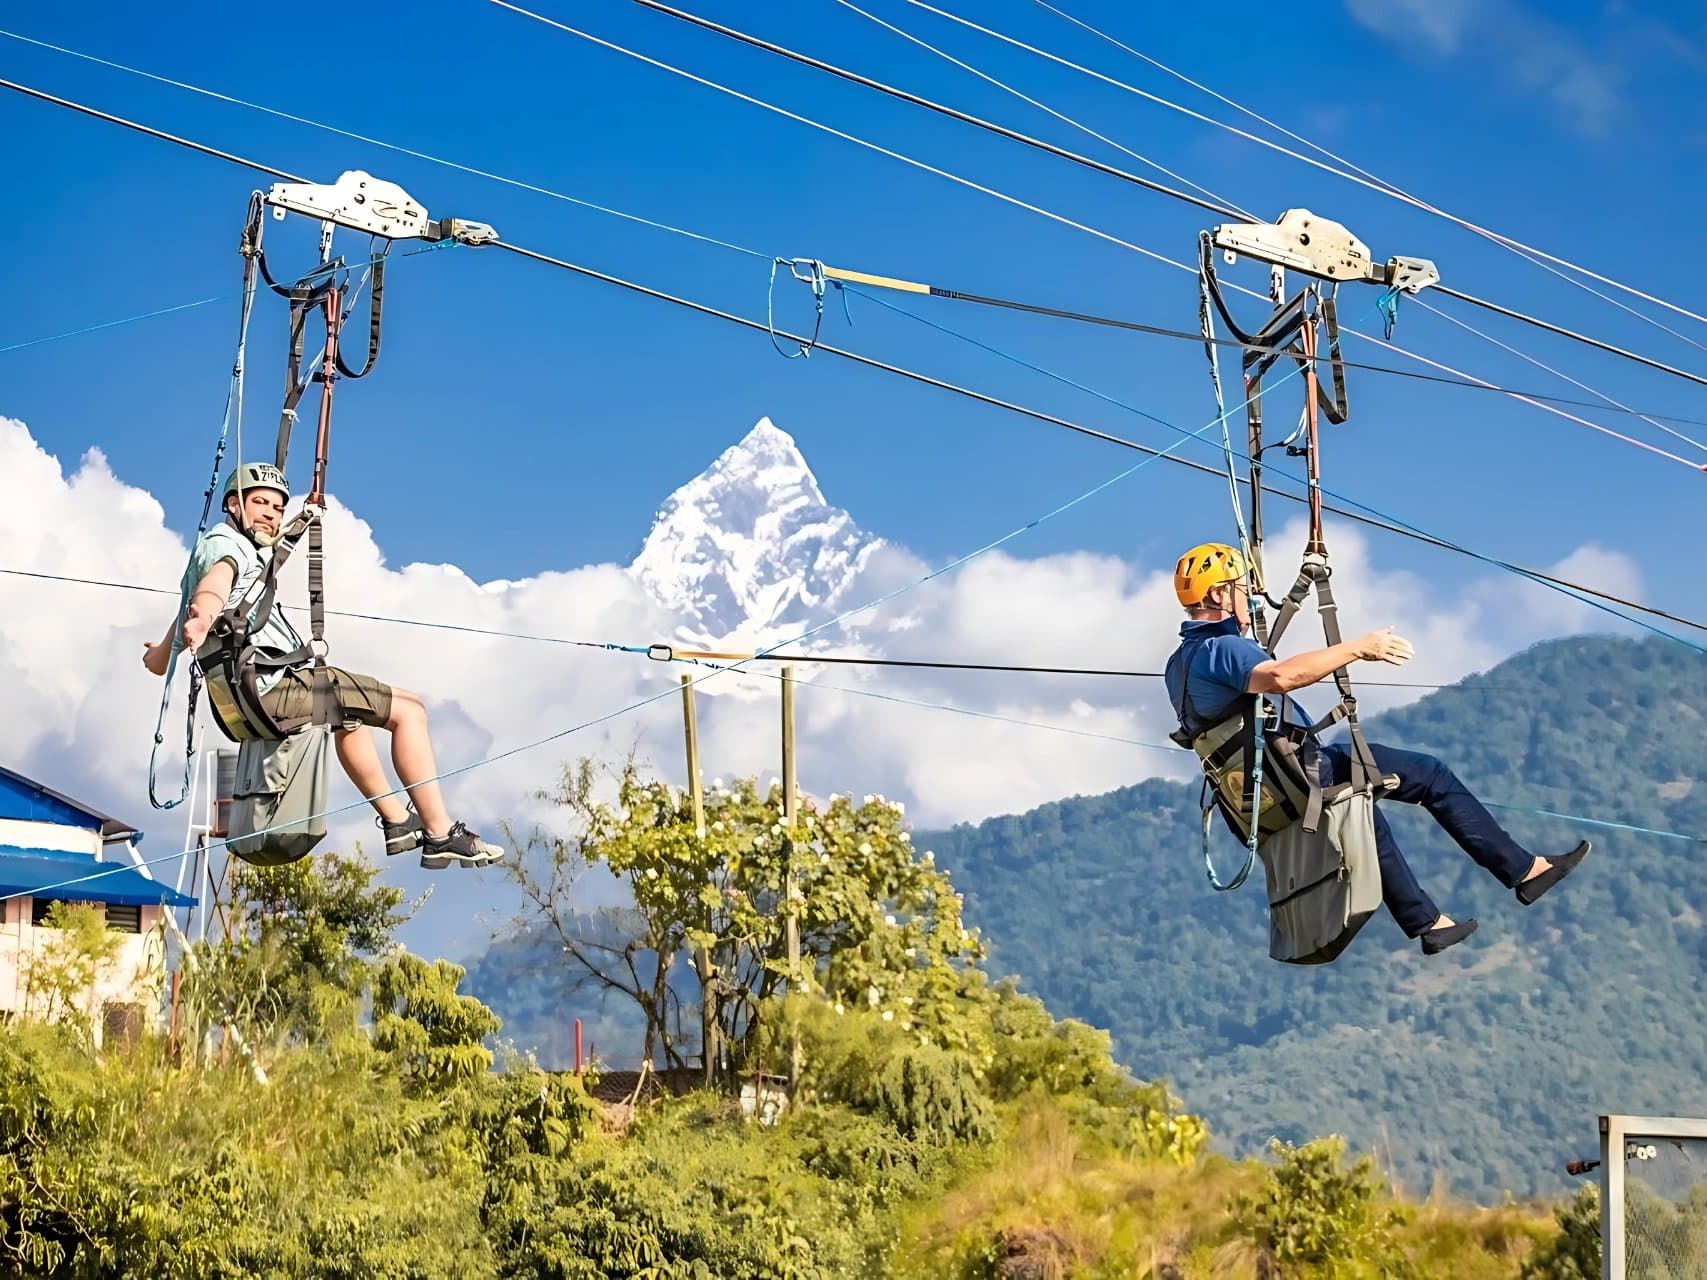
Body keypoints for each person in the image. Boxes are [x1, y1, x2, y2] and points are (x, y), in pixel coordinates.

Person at [1164, 542, 1587, 955]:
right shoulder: (1221, 650)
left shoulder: (1179, 664)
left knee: (1366, 814)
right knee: (1429, 774)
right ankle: (1525, 870)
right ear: (1219, 594)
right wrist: (1358, 648)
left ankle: (1428, 924)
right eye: (1241, 587)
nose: (1251, 596)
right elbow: (1281, 677)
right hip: (1304, 771)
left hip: (1263, 793)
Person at [143, 462, 502, 869]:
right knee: (409, 710)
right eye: (259, 503)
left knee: (347, 719)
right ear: (232, 505)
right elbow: (213, 588)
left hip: (250, 697)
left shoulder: (219, 551)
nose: (270, 514)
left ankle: (397, 821)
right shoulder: (226, 547)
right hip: (274, 687)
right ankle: (441, 834)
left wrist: (159, 651)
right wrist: (203, 616)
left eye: (278, 509)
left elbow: (168, 648)